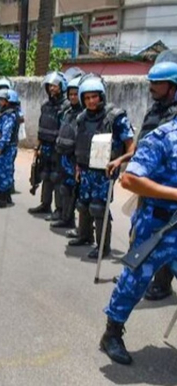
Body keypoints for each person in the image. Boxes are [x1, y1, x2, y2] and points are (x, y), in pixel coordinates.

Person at [100, 116, 177, 365]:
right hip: (157, 225)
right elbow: (130, 180)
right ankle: (112, 334)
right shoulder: (162, 138)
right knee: (135, 281)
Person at [68, 75, 135, 259]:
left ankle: (103, 246)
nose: (90, 101)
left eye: (94, 97)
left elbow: (131, 147)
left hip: (105, 171)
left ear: (101, 96)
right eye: (87, 98)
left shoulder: (115, 117)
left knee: (99, 208)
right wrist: (78, 167)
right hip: (85, 170)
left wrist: (120, 162)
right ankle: (84, 236)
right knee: (83, 205)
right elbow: (80, 144)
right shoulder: (82, 118)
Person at [138, 61, 177, 301]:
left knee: (166, 236)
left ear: (172, 87)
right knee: (146, 233)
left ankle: (163, 284)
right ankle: (149, 277)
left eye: (157, 83)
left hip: (170, 185)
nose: (152, 87)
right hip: (149, 183)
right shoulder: (155, 111)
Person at [29, 72, 69, 221]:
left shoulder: (65, 106)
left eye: (55, 86)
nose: (52, 88)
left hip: (57, 148)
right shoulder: (46, 106)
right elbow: (41, 126)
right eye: (50, 86)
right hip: (45, 145)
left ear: (61, 87)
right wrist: (37, 147)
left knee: (57, 177)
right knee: (45, 175)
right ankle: (45, 204)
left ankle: (59, 210)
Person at [52, 76, 85, 229]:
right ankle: (66, 218)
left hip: (76, 158)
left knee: (77, 193)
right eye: (71, 94)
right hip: (63, 155)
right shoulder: (67, 112)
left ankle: (81, 227)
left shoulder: (84, 115)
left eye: (76, 94)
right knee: (64, 188)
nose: (73, 97)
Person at [0, 90, 19, 208]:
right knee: (6, 171)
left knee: (3, 172)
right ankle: (7, 197)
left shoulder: (9, 116)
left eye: (2, 100)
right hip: (7, 147)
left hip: (6, 148)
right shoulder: (6, 113)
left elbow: (6, 135)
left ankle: (2, 199)